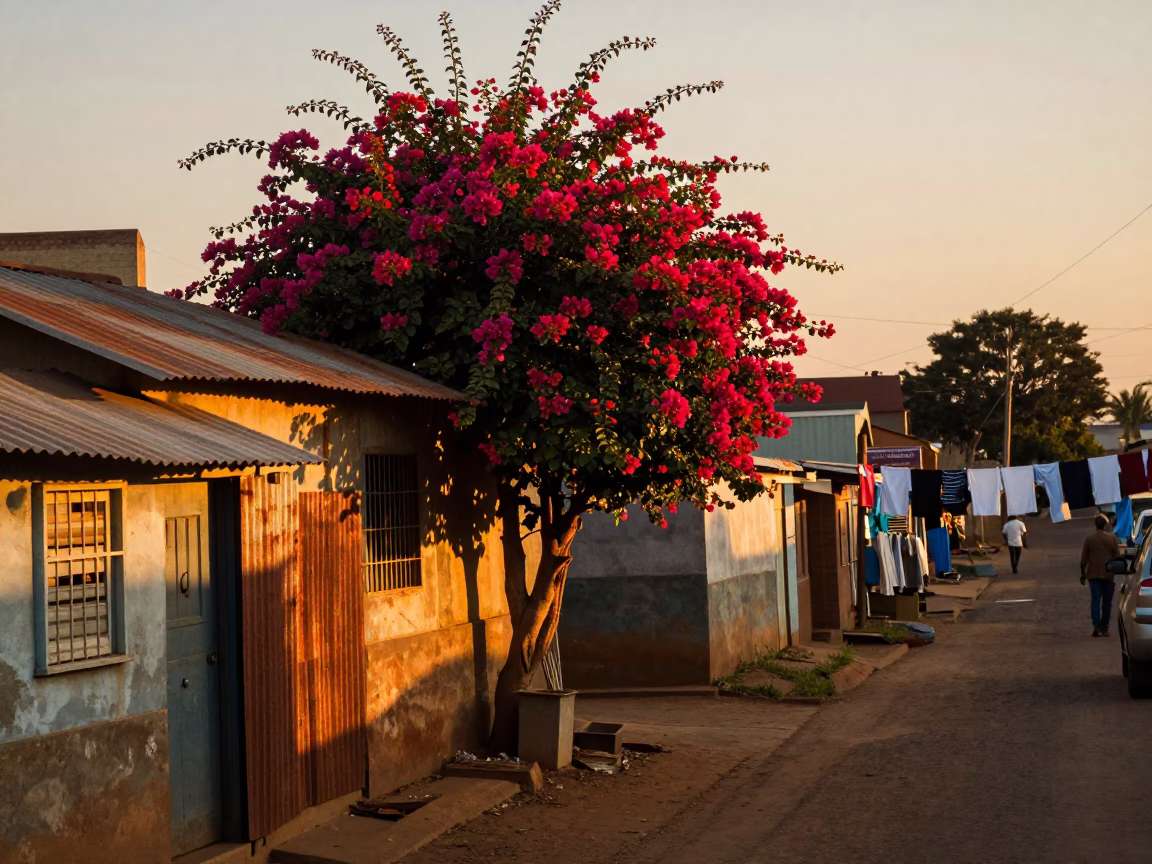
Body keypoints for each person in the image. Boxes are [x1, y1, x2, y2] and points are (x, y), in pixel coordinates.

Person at [1081, 514, 1122, 637]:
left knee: (1095, 601)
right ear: (1105, 525)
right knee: (1107, 602)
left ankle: (1096, 626)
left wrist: (1083, 574)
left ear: (1095, 526)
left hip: (1093, 575)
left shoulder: (1089, 539)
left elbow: (1084, 560)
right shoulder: (1112, 538)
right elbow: (1117, 556)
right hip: (1108, 575)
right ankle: (1104, 627)